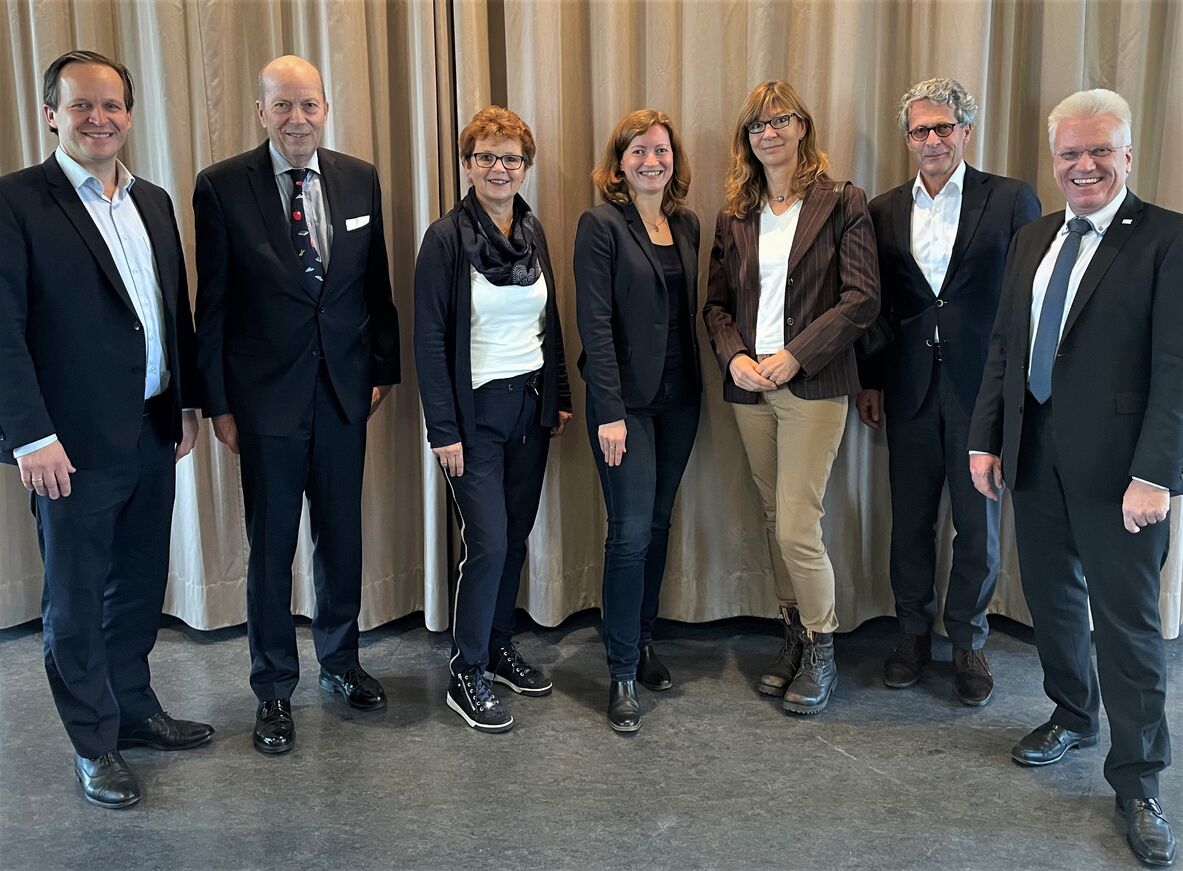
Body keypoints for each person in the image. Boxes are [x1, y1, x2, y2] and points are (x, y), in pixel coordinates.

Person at [969, 89, 1183, 868]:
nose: (1083, 165)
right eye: (1069, 153)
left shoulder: (1166, 239)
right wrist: (984, 439)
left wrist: (1157, 472)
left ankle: (1138, 782)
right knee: (1051, 595)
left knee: (1126, 623)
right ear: (1053, 160)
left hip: (1123, 471)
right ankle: (1071, 713)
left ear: (1127, 154)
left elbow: (1175, 368)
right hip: (1032, 449)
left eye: (1099, 151)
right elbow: (1004, 346)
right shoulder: (1032, 238)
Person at [0, 50, 213, 808]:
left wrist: (186, 402)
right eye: (81, 106)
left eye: (112, 106)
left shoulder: (151, 200)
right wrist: (30, 437)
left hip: (153, 432)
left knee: (137, 585)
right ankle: (93, 742)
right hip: (69, 447)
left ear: (129, 113)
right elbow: (4, 332)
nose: (99, 118)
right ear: (51, 114)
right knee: (75, 600)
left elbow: (169, 312)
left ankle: (131, 707)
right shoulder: (17, 202)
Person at [193, 55, 401, 755]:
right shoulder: (221, 187)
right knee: (272, 549)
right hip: (264, 403)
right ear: (261, 112)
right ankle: (274, 687)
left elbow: (375, 287)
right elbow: (213, 305)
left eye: (307, 104)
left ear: (325, 108)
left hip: (345, 394)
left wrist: (381, 371)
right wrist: (216, 402)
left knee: (342, 537)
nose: (296, 118)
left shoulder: (358, 177)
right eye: (282, 106)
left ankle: (340, 662)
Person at [855, 78, 1040, 705]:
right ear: (907, 139)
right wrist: (871, 381)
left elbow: (1027, 304)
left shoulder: (1011, 199)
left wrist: (1015, 389)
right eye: (919, 130)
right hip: (906, 389)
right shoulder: (880, 210)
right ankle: (911, 633)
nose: (932, 139)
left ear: (965, 130)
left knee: (977, 524)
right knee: (908, 520)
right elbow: (876, 308)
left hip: (980, 390)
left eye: (943, 128)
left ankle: (968, 639)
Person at [703, 80, 879, 716]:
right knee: (775, 519)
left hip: (813, 384)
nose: (768, 133)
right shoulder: (735, 214)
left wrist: (794, 356)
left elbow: (862, 299)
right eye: (756, 126)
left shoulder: (842, 202)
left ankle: (824, 648)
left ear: (803, 127)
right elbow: (716, 305)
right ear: (746, 141)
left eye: (780, 121)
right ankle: (795, 637)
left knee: (800, 523)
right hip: (749, 389)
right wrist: (736, 358)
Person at [414, 106, 572, 733]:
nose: (499, 168)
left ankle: (499, 646)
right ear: (468, 165)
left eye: (511, 158)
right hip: (474, 416)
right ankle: (466, 671)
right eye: (486, 157)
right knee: (488, 544)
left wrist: (558, 394)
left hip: (530, 408)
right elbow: (428, 338)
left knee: (515, 539)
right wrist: (443, 430)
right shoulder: (446, 238)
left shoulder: (532, 233)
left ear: (525, 167)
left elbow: (548, 321)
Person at [574, 109, 702, 733]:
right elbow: (594, 327)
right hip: (624, 407)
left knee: (657, 522)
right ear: (618, 162)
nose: (652, 160)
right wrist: (609, 411)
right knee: (628, 532)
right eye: (638, 151)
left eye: (661, 150)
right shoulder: (599, 225)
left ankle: (645, 641)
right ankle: (621, 669)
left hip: (681, 400)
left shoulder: (687, 223)